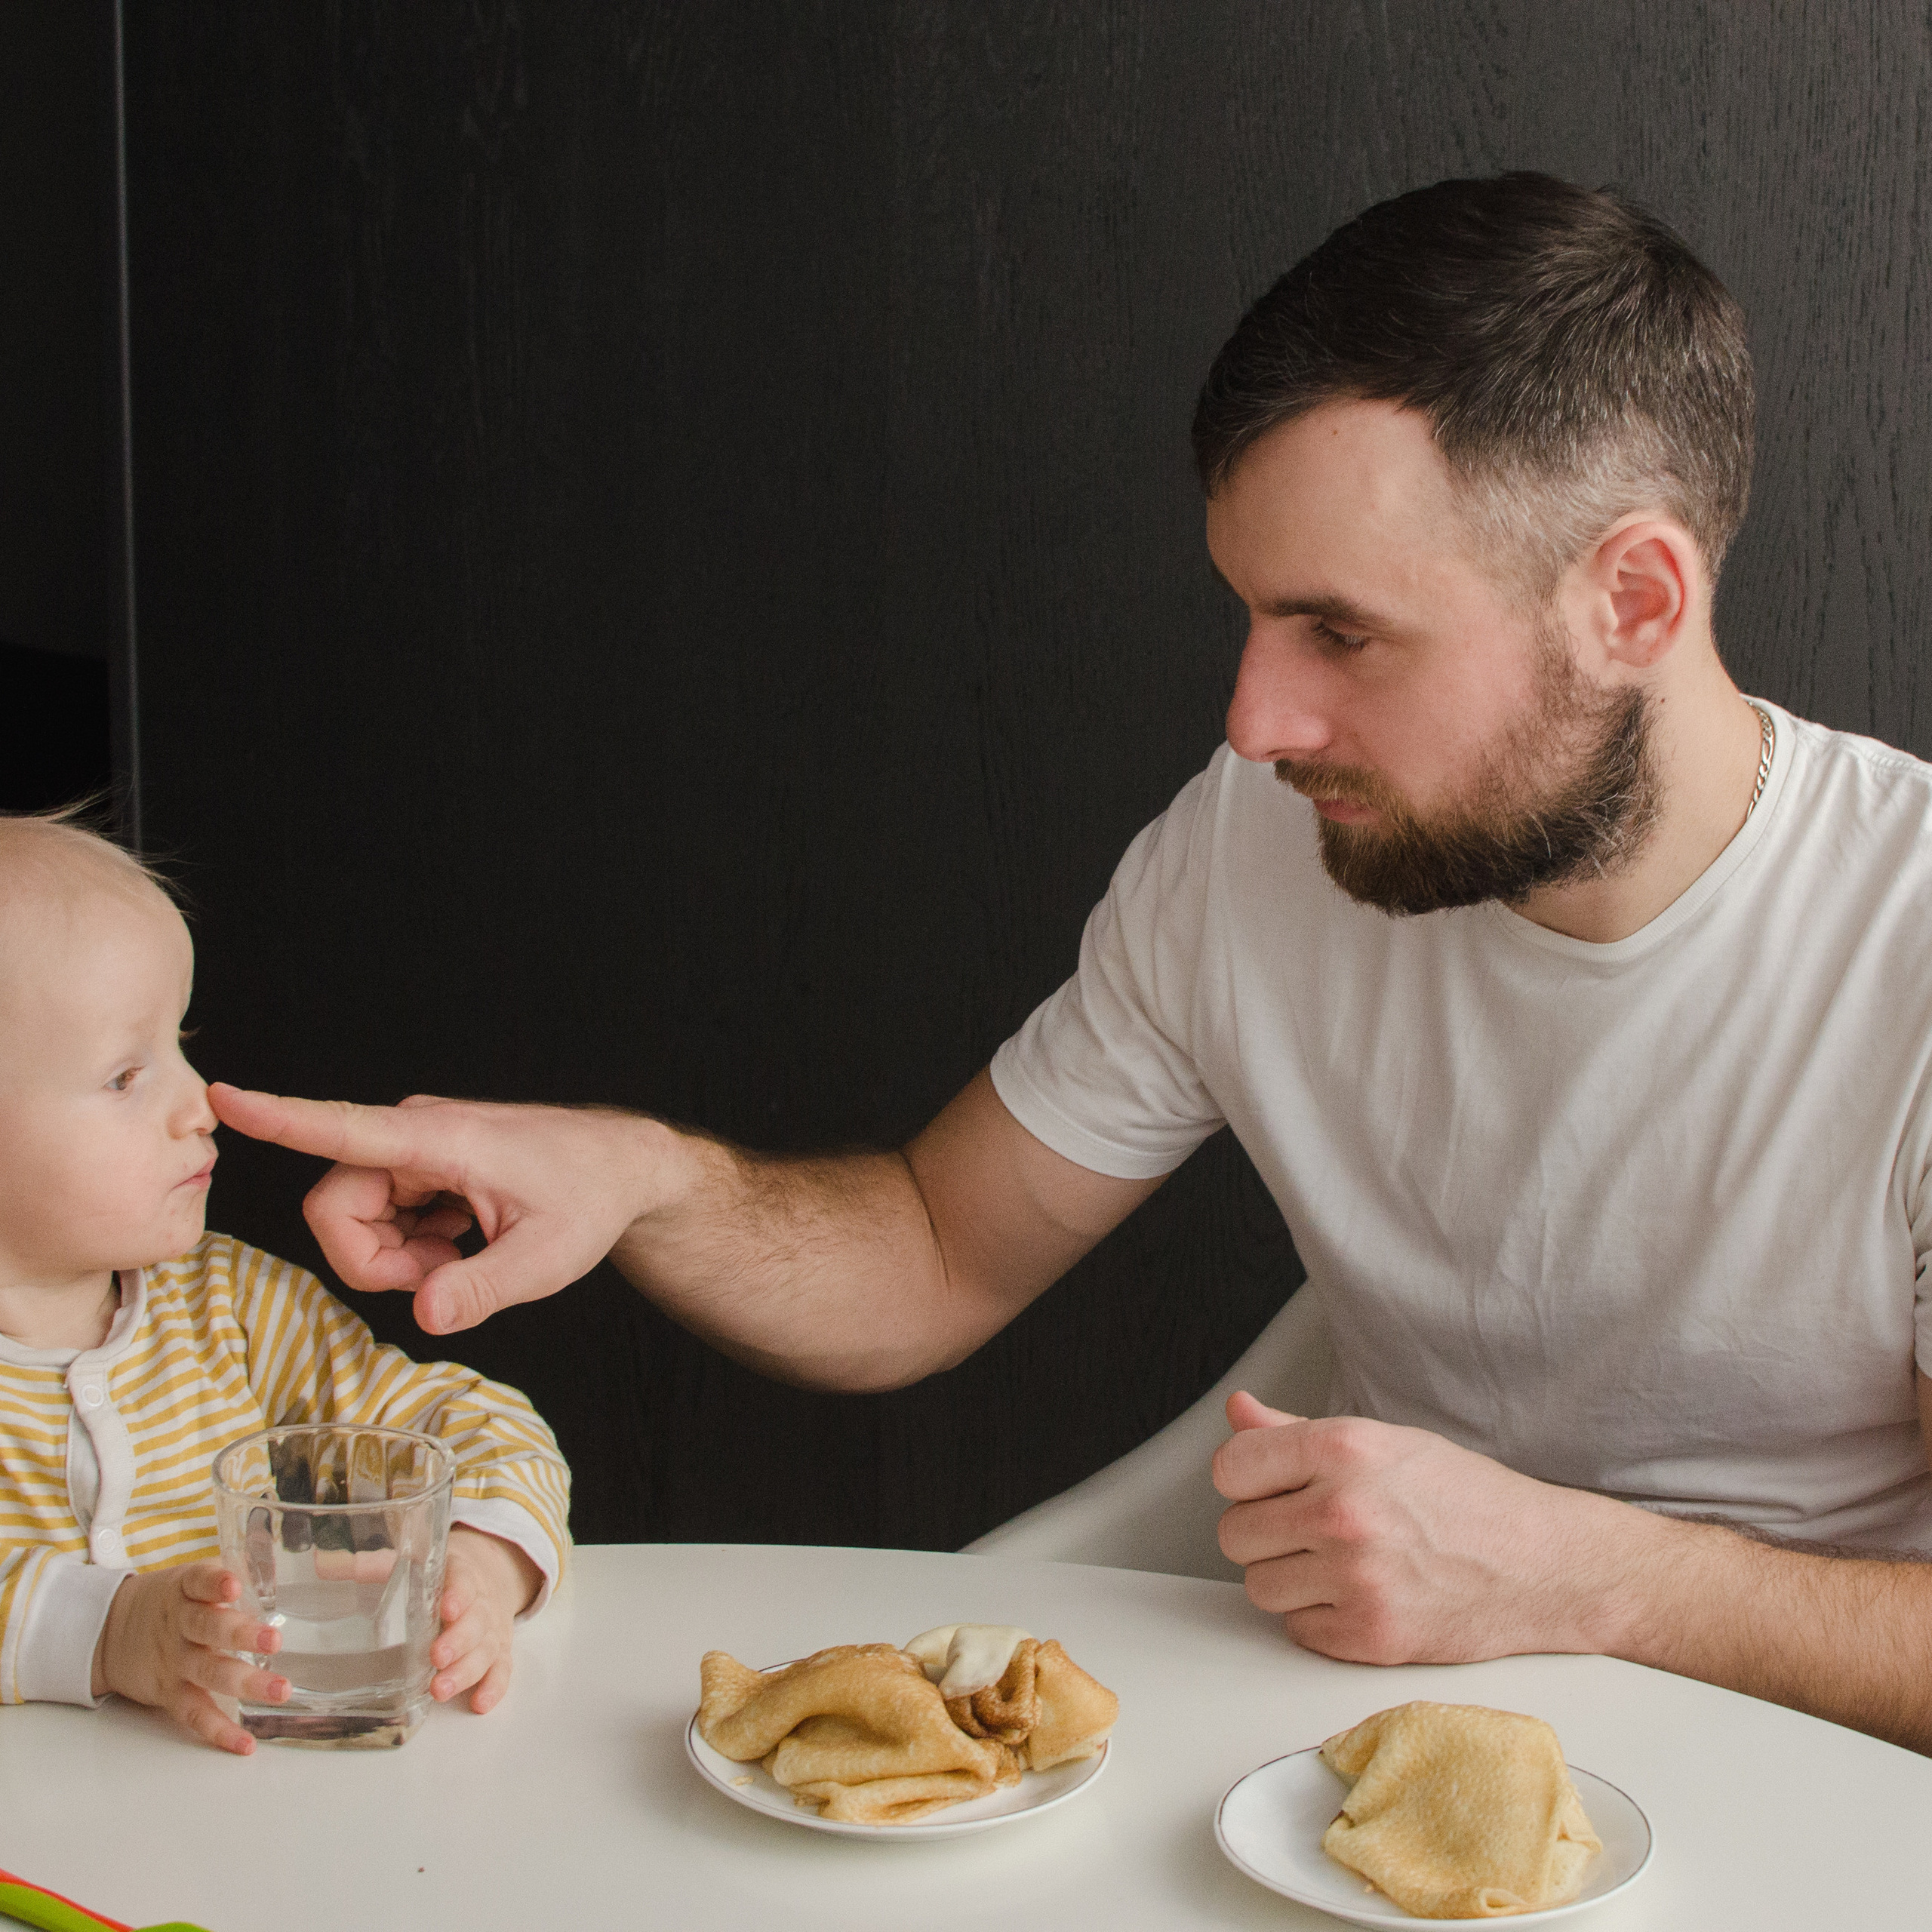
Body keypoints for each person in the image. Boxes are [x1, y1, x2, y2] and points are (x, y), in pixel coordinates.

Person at [215, 173, 1932, 1751]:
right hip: (1333, 1749)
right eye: (1250, 615)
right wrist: (636, 1177)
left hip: (1817, 1784)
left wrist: (1586, 1579)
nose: (1254, 720)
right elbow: (934, 1245)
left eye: (1341, 631)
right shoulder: (1259, 844)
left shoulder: (1902, 942)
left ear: (1630, 601)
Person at [0, 811, 570, 1752]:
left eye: (181, 1043)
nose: (198, 1103)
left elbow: (476, 1426)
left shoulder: (231, 1307)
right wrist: (112, 1632)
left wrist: (478, 1561)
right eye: (125, 1076)